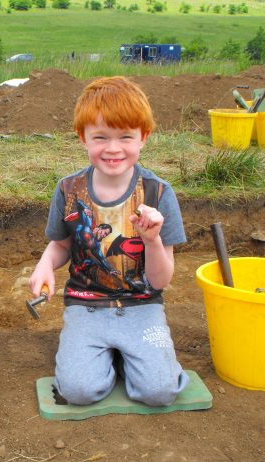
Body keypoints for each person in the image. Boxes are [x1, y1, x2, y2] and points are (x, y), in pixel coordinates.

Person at [29, 76, 189, 407]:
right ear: (82, 137)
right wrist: (45, 265)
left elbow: (160, 281)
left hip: (142, 306)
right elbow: (61, 245)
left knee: (159, 392)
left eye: (125, 137)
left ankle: (132, 359)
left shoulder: (158, 194)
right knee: (77, 391)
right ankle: (110, 358)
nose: (113, 148)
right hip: (87, 306)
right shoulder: (68, 190)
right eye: (100, 137)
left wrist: (152, 241)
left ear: (143, 137)